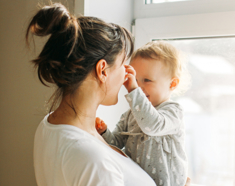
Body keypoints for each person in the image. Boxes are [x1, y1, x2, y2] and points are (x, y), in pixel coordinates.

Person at [27, 3, 156, 185]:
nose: (128, 72)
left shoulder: (49, 125)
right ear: (102, 70)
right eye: (122, 63)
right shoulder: (93, 160)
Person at [96, 41, 189, 186]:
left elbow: (151, 125)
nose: (138, 86)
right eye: (134, 79)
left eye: (147, 80)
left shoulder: (173, 111)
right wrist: (103, 132)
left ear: (172, 84)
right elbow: (115, 144)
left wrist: (133, 90)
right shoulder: (130, 114)